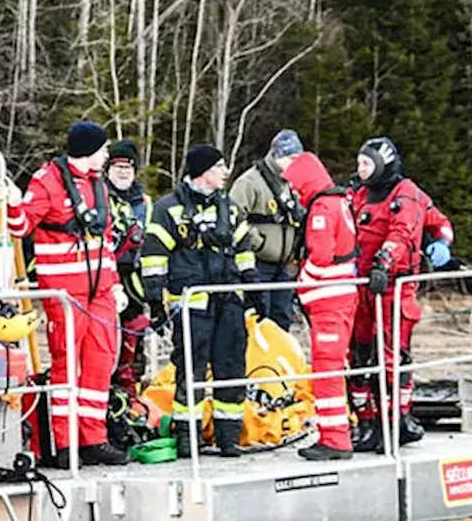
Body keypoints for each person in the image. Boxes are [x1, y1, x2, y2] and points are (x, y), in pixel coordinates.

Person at [6, 121, 128, 467]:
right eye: (103, 149)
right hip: (65, 290)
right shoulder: (46, 181)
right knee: (66, 364)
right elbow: (20, 227)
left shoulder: (98, 185)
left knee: (100, 362)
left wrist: (115, 283)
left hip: (100, 289)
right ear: (89, 150)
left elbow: (104, 240)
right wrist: (13, 203)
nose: (107, 155)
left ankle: (94, 438)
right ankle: (64, 442)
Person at [142, 145, 265, 459]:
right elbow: (154, 257)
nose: (225, 172)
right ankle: (188, 438)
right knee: (190, 372)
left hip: (229, 302)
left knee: (232, 368)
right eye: (219, 167)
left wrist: (253, 287)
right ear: (203, 171)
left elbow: (243, 250)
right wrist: (156, 301)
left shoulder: (230, 208)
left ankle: (228, 438)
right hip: (192, 305)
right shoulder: (168, 209)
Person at [348, 137, 431, 452]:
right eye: (359, 164)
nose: (360, 170)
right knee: (359, 356)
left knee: (393, 355)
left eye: (366, 164)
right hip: (362, 287)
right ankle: (367, 422)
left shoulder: (405, 193)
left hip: (392, 285)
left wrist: (384, 261)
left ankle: (395, 421)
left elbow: (402, 231)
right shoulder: (357, 195)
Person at [277, 149, 359, 460]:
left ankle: (335, 439)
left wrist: (300, 283)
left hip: (329, 302)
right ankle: (336, 433)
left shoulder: (323, 208)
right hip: (340, 299)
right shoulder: (340, 202)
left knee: (326, 370)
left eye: (297, 187)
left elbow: (321, 257)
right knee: (334, 368)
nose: (296, 194)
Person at [228, 129, 306, 331]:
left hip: (284, 266)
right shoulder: (249, 182)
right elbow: (233, 218)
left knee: (282, 320)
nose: (295, 163)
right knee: (257, 318)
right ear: (276, 155)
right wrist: (258, 242)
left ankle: (278, 361)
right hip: (257, 264)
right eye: (290, 158)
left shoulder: (291, 184)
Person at [104, 139, 152, 391]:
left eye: (128, 167)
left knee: (135, 331)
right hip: (104, 278)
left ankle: (131, 388)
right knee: (106, 335)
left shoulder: (144, 202)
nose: (123, 172)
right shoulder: (99, 196)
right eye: (118, 166)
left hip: (135, 279)